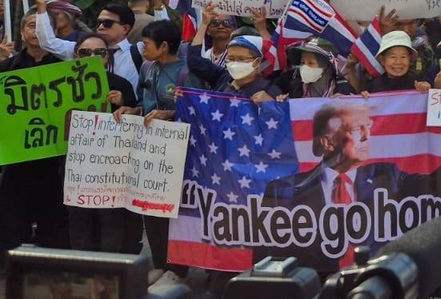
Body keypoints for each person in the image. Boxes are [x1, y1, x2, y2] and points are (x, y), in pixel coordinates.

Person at [263, 102, 434, 269]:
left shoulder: (388, 176)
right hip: (313, 282)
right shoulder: (281, 191)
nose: (367, 135)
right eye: (356, 129)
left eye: (368, 126)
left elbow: (433, 185)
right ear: (328, 142)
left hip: (374, 279)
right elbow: (267, 263)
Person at [114, 19, 210, 289]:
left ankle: (178, 269)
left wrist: (170, 113)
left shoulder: (187, 73)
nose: (142, 48)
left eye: (146, 44)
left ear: (164, 45)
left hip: (180, 153)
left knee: (173, 212)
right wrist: (132, 110)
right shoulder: (147, 67)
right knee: (151, 207)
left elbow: (200, 112)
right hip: (149, 149)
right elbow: (143, 103)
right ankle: (160, 263)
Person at [0, 11, 72, 273]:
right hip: (17, 159)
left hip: (55, 160)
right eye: (30, 26)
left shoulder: (66, 67)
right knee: (11, 219)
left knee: (54, 218)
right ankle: (12, 272)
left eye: (40, 26)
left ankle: (55, 272)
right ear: (22, 33)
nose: (35, 31)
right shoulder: (6, 69)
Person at [66, 34, 143, 259]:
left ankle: (108, 269)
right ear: (76, 56)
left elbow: (136, 124)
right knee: (79, 218)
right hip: (76, 166)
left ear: (107, 57)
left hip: (111, 166)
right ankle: (83, 267)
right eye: (85, 52)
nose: (92, 57)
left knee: (111, 218)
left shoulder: (121, 85)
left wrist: (124, 104)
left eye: (99, 52)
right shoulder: (62, 85)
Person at [34, 0, 141, 92]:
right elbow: (48, 42)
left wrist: (157, 5)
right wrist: (41, 7)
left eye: (107, 23)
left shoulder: (140, 52)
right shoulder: (81, 50)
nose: (101, 27)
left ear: (125, 29)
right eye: (99, 22)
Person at [212, 36, 282, 100]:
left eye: (241, 59)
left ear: (257, 62)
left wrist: (270, 104)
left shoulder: (269, 90)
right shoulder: (223, 85)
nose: (235, 63)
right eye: (231, 58)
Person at [276, 38, 352, 98]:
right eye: (302, 62)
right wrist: (285, 102)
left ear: (326, 66)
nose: (305, 67)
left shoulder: (343, 89)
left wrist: (344, 104)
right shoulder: (295, 85)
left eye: (311, 63)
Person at [364, 31, 431, 94]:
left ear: (410, 59)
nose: (398, 62)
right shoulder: (373, 86)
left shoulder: (417, 84)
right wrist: (364, 98)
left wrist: (427, 90)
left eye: (403, 57)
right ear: (382, 60)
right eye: (392, 57)